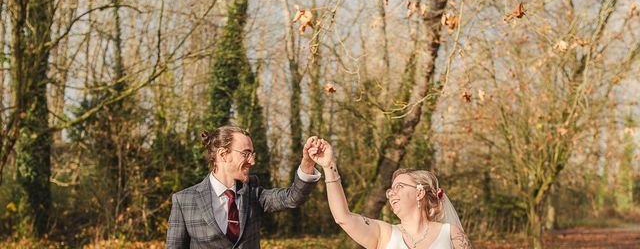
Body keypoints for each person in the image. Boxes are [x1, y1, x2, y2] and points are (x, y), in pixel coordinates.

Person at [166, 126, 321, 248]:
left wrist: (307, 162)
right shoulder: (184, 200)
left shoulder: (253, 191)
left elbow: (292, 197)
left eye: (252, 154)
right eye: (245, 154)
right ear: (223, 154)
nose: (252, 161)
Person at [308, 138, 472, 249]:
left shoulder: (451, 234)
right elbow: (342, 217)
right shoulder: (384, 233)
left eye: (399, 186)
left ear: (419, 192)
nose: (391, 194)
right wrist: (329, 166)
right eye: (390, 190)